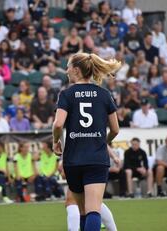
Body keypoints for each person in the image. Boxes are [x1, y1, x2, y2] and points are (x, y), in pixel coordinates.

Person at [52, 52, 120, 230]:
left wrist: (55, 141)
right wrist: (104, 142)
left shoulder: (66, 94)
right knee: (93, 210)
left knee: (81, 210)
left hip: (73, 159)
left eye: (67, 67)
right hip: (96, 158)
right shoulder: (104, 94)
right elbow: (115, 129)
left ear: (76, 70)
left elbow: (58, 124)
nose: (66, 71)